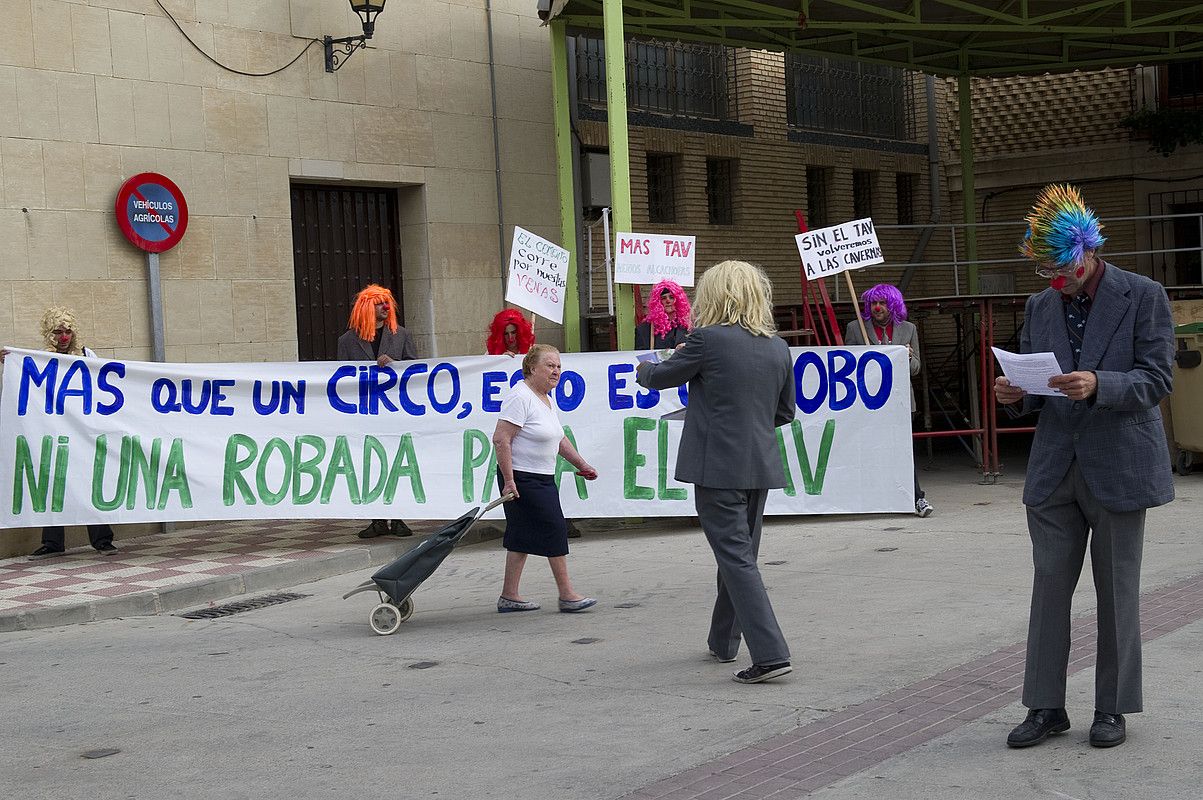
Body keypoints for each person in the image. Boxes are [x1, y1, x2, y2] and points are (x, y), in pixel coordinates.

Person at [995, 184, 1175, 750]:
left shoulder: (1143, 295)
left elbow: (1157, 379)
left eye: (1061, 264)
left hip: (1119, 463)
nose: (1054, 277)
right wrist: (1013, 393)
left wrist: (1101, 384)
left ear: (1087, 246)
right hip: (1054, 468)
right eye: (1043, 268)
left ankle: (1113, 708)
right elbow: (1036, 379)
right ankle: (1045, 706)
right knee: (1048, 589)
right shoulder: (1040, 304)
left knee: (1117, 590)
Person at [636, 260, 796, 684]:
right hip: (759, 465)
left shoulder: (707, 340)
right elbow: (784, 412)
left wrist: (643, 364)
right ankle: (723, 641)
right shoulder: (778, 347)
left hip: (716, 466)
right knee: (740, 556)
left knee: (737, 560)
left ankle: (771, 652)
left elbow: (658, 377)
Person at [0, 307, 118, 559]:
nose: (64, 337)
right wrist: (10, 362)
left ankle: (102, 540)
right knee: (53, 484)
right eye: (58, 332)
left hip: (83, 432)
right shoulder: (40, 359)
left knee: (89, 483)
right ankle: (53, 543)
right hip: (53, 433)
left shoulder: (88, 355)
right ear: (49, 334)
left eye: (68, 331)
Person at [491, 344, 598, 613]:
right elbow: (501, 439)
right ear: (531, 368)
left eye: (558, 366)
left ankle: (509, 596)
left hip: (541, 477)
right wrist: (509, 480)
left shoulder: (546, 398)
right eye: (549, 365)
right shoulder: (520, 396)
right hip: (522, 478)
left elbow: (558, 438)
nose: (556, 371)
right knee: (555, 529)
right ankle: (567, 595)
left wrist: (582, 464)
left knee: (521, 537)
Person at [843, 284, 934, 517]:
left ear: (893, 304)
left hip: (901, 402)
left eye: (882, 303)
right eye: (873, 303)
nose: (877, 308)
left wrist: (908, 356)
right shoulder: (855, 329)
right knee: (867, 450)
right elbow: (847, 367)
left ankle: (916, 498)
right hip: (867, 403)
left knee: (903, 451)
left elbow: (915, 370)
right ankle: (867, 499)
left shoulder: (909, 329)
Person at [336, 284, 418, 539]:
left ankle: (399, 517)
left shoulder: (401, 334)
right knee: (370, 464)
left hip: (395, 412)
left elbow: (418, 372)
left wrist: (396, 365)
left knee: (397, 464)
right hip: (365, 414)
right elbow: (339, 379)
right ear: (366, 308)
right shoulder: (347, 341)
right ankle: (378, 520)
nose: (385, 307)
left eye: (387, 303)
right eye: (379, 303)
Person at [634, 279, 692, 350]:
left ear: (679, 300)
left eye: (671, 297)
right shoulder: (644, 330)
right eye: (663, 298)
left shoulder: (689, 326)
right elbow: (641, 356)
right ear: (657, 303)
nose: (668, 301)